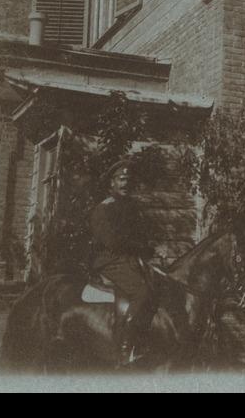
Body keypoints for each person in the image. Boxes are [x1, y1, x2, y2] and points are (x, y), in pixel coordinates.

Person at [89, 157, 156, 366]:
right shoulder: (104, 209)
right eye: (121, 179)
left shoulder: (132, 208)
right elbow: (112, 242)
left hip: (129, 260)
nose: (125, 183)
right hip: (109, 261)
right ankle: (125, 347)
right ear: (112, 182)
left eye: (128, 180)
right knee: (142, 290)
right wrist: (140, 247)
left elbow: (141, 236)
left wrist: (148, 247)